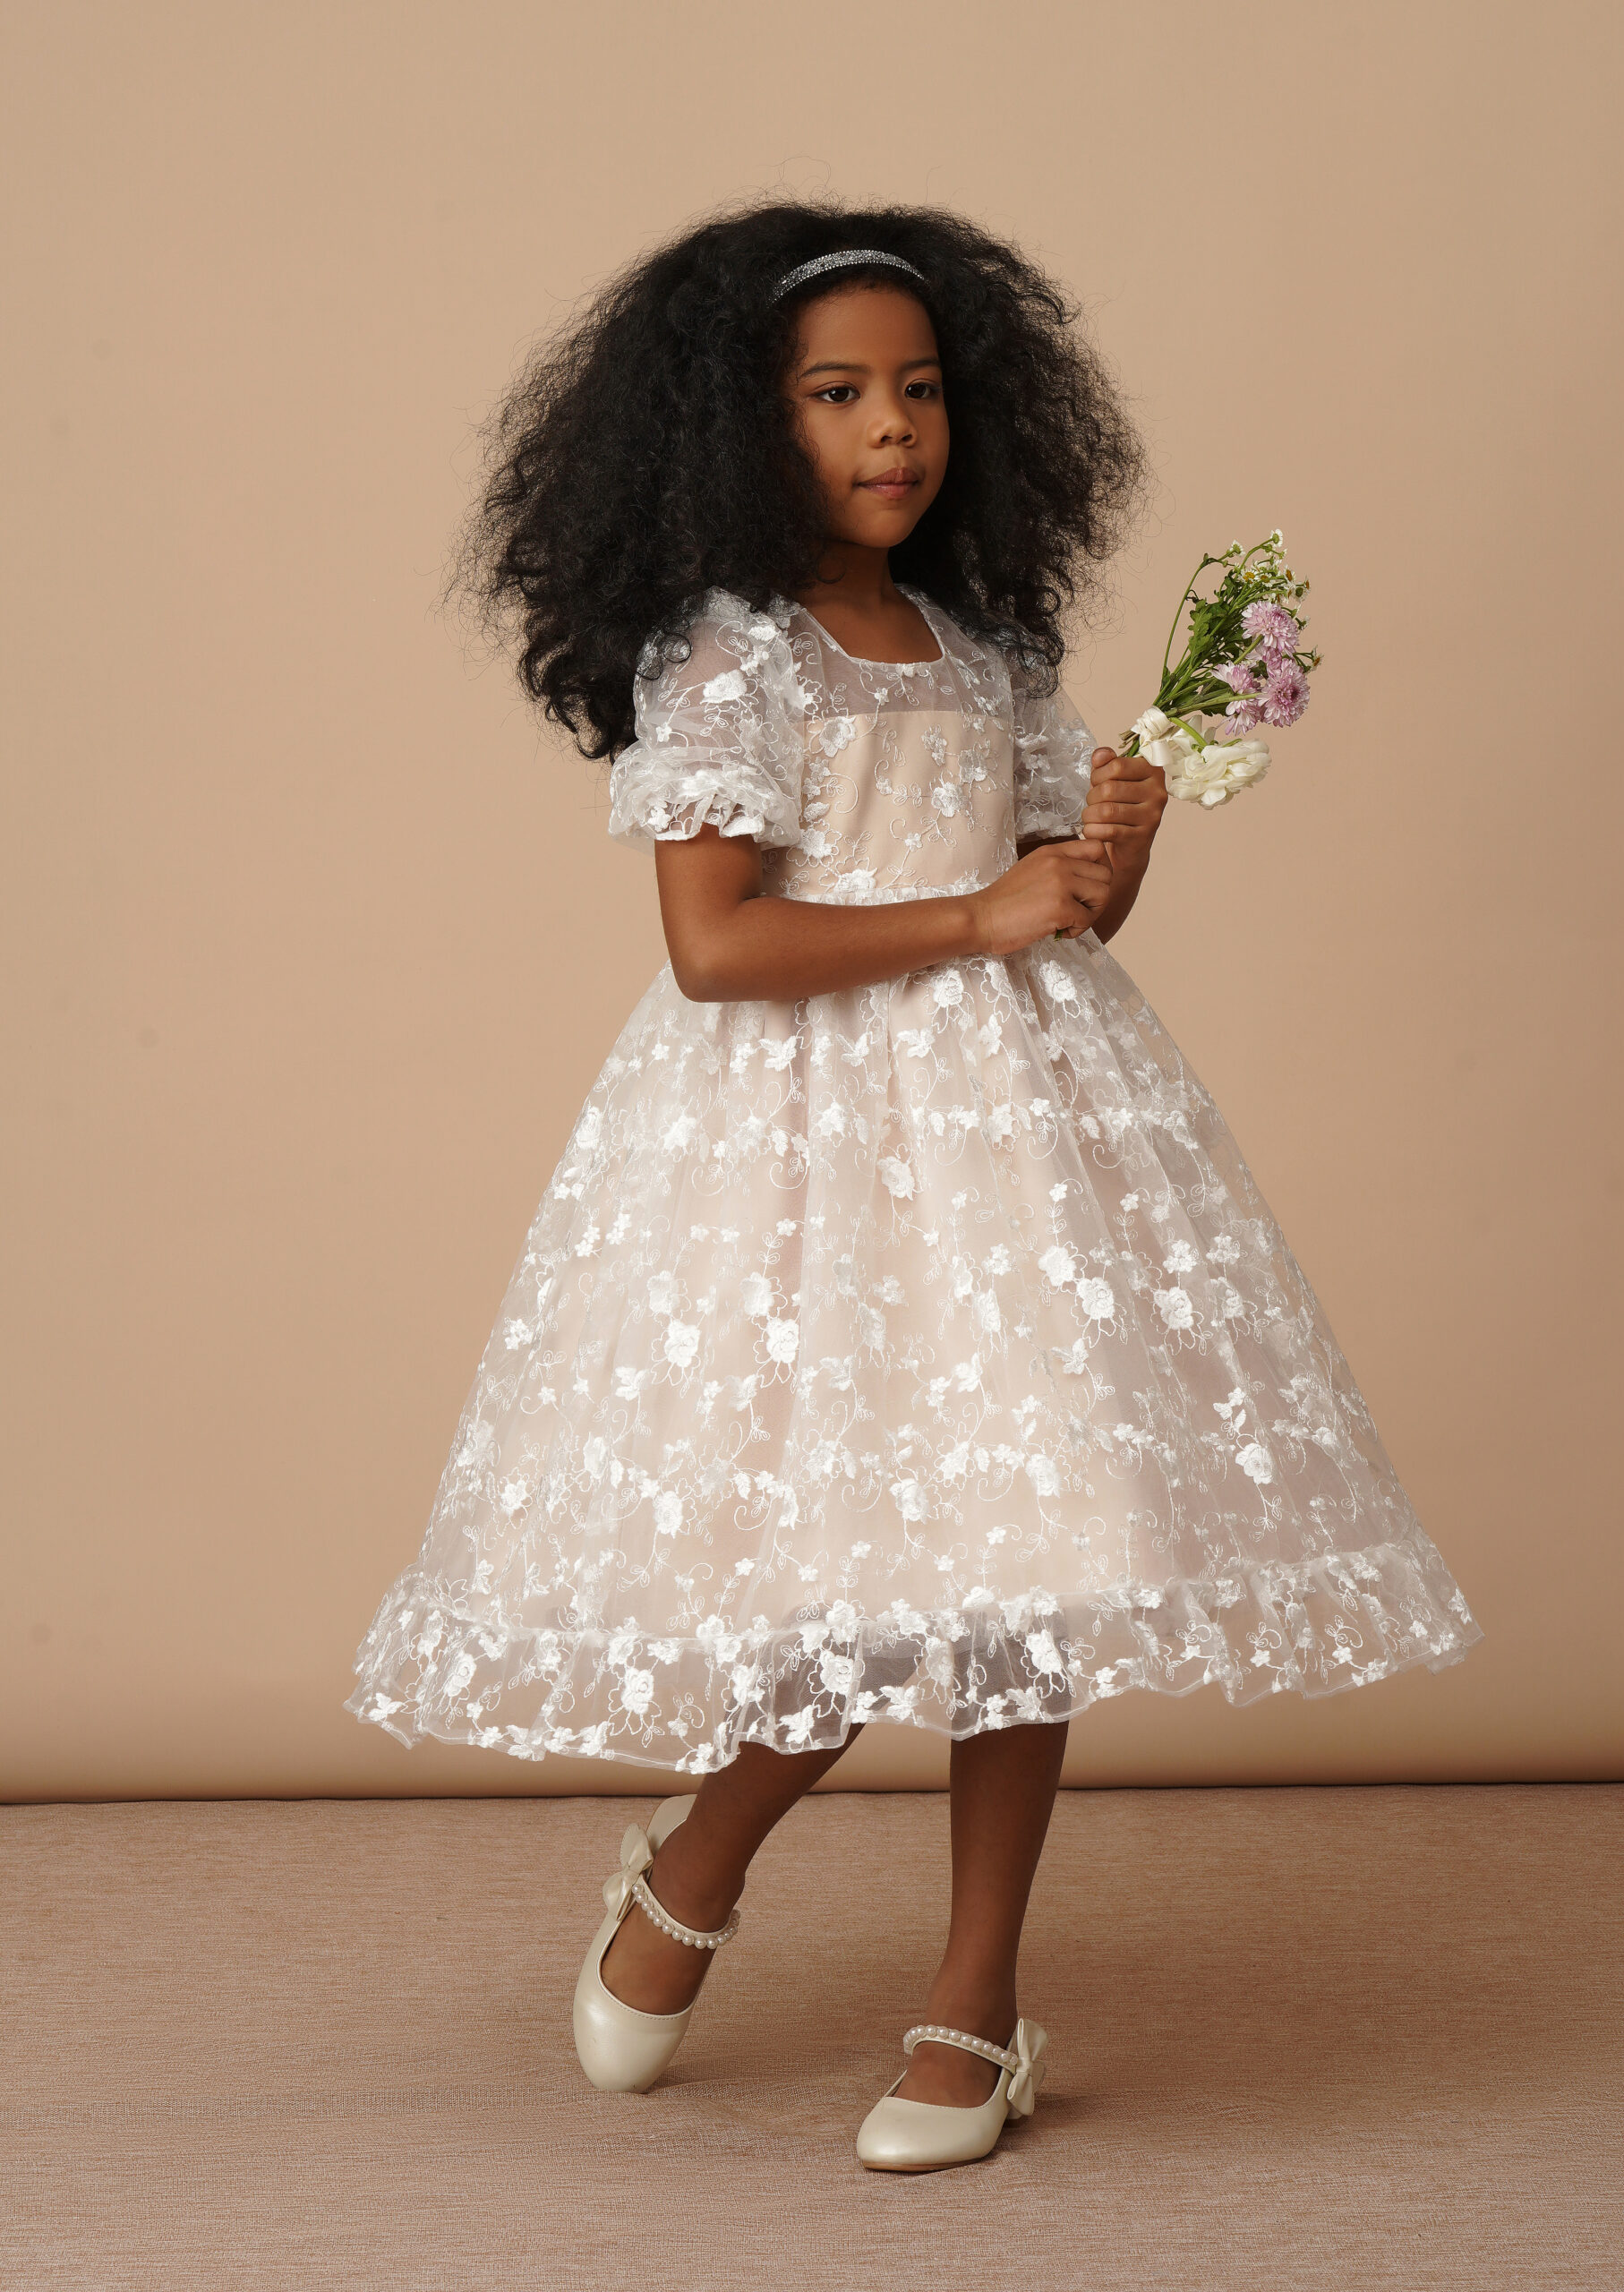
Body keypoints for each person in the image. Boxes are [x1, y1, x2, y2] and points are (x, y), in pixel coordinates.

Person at [346, 200, 1483, 2172]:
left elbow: (1066, 904)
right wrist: (981, 911)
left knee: (1026, 1560)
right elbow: (716, 945)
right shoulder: (732, 659)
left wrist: (1116, 841)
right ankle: (700, 1853)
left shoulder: (988, 646)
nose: (894, 427)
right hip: (802, 1162)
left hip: (1010, 1147)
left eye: (923, 388)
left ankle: (976, 1997)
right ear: (738, 426)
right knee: (839, 1565)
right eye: (838, 392)